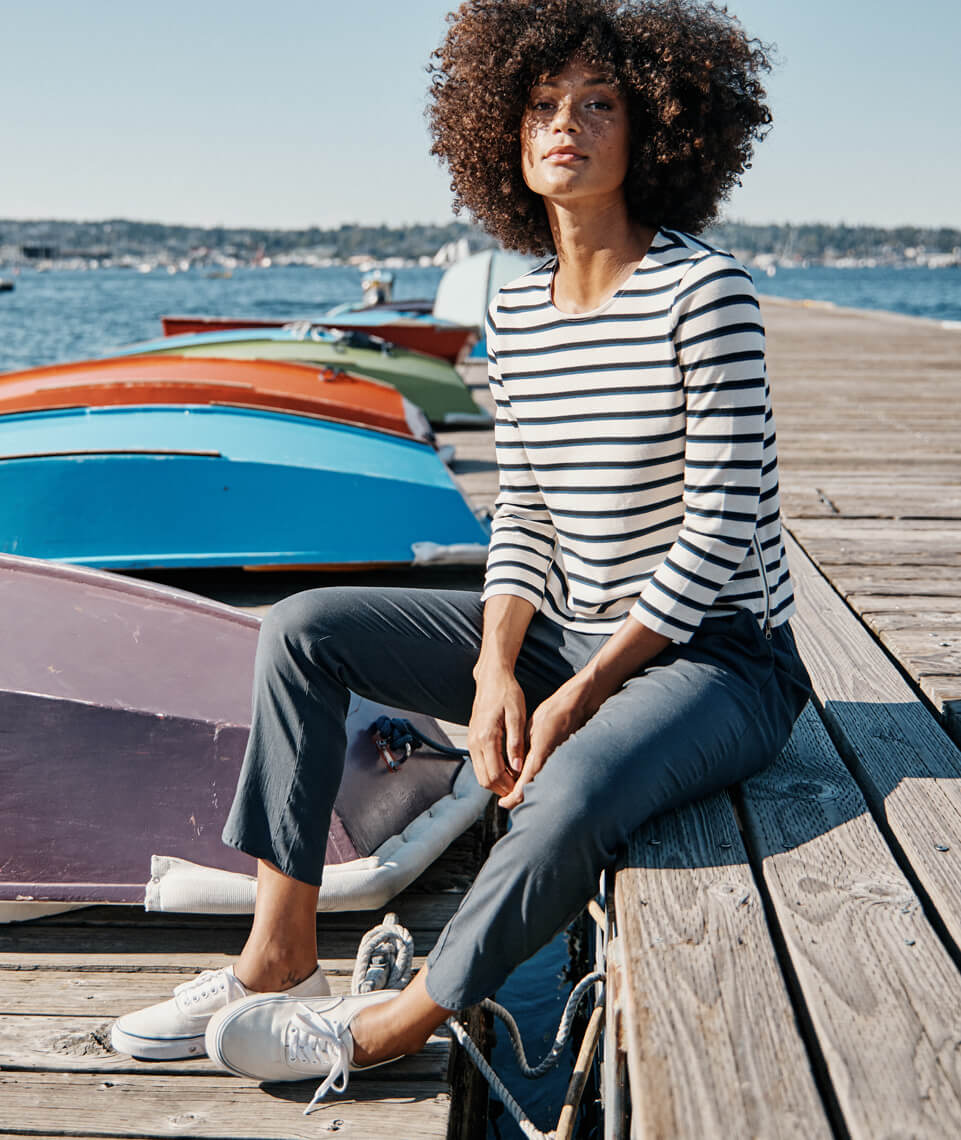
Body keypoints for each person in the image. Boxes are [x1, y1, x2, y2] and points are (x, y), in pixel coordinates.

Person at [111, 0, 812, 1107]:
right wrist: (496, 668)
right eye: (540, 106)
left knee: (567, 783)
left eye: (597, 104)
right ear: (504, 133)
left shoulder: (704, 294)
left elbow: (721, 526)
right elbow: (523, 510)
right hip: (569, 637)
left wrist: (577, 690)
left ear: (657, 131)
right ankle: (276, 950)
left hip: (720, 660)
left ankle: (395, 1022)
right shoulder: (518, 307)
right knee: (305, 631)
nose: (563, 126)